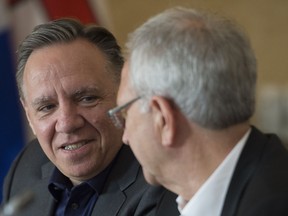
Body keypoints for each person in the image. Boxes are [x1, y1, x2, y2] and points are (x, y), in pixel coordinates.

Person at [109, 7, 288, 216]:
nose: (125, 138)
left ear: (163, 118)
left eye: (125, 113)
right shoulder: (169, 203)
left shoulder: (273, 205)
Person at [2, 18, 179, 216]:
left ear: (123, 93)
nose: (67, 123)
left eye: (87, 98)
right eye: (47, 107)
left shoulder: (161, 181)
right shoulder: (26, 168)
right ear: (28, 115)